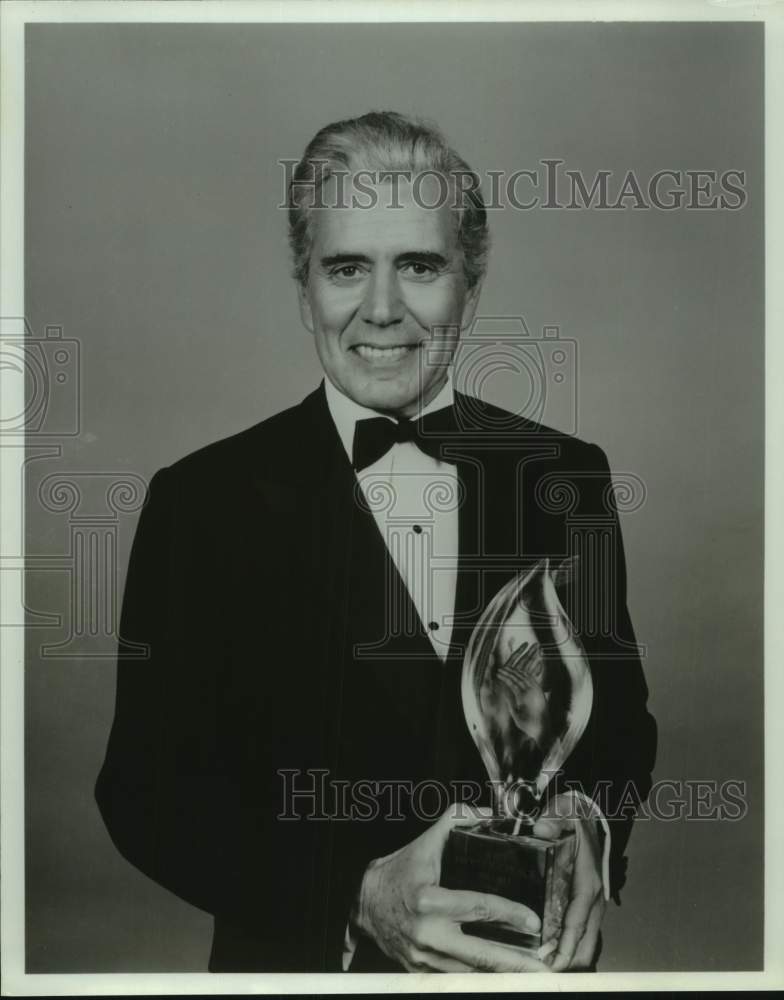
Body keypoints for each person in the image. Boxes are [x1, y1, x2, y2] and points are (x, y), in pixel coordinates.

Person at [95, 111, 657, 974]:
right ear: (304, 286)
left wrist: (591, 822)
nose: (383, 309)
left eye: (420, 267)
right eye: (347, 267)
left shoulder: (567, 476)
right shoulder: (199, 503)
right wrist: (353, 894)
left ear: (470, 281)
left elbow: (619, 728)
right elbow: (145, 797)